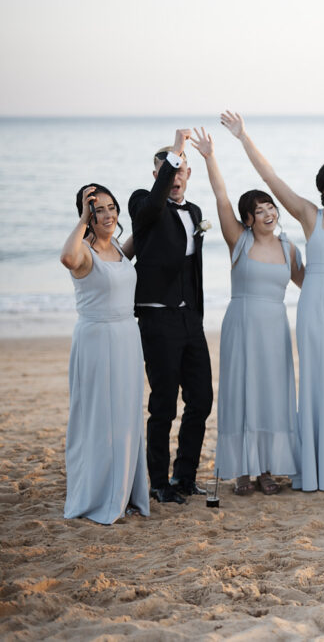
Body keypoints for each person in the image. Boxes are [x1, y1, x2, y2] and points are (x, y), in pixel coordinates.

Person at [220, 110, 324, 491]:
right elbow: (271, 179)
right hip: (314, 306)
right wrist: (243, 137)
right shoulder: (310, 216)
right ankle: (313, 467)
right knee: (315, 383)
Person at [190, 127, 304, 496]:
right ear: (249, 219)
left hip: (274, 326)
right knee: (241, 392)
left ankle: (268, 469)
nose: (269, 213)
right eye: (260, 210)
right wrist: (210, 156)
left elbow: (310, 283)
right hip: (241, 325)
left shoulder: (289, 249)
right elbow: (221, 196)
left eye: (271, 207)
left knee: (272, 393)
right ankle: (242, 471)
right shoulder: (239, 241)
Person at [129, 129, 213, 504]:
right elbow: (152, 207)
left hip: (189, 319)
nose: (175, 177)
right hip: (157, 318)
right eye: (168, 171)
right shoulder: (143, 204)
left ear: (189, 175)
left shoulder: (194, 212)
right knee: (163, 402)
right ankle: (159, 483)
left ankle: (185, 476)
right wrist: (176, 151)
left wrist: (194, 313)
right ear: (158, 176)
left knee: (202, 399)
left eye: (180, 171)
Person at [61, 184, 149, 523]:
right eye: (99, 209)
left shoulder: (119, 250)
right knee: (98, 416)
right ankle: (98, 494)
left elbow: (145, 231)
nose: (108, 214)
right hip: (96, 339)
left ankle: (124, 491)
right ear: (87, 216)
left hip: (127, 337)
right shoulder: (84, 252)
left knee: (125, 414)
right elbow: (66, 258)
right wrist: (83, 218)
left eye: (111, 207)